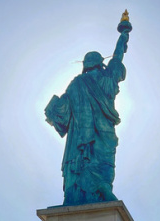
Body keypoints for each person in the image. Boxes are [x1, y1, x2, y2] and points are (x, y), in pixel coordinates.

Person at [45, 28, 130, 206]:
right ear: (101, 63)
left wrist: (52, 109)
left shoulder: (76, 83)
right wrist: (123, 38)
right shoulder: (107, 77)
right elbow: (117, 58)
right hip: (104, 133)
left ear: (86, 65)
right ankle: (103, 188)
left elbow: (62, 113)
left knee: (81, 159)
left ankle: (74, 194)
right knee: (104, 160)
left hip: (80, 138)